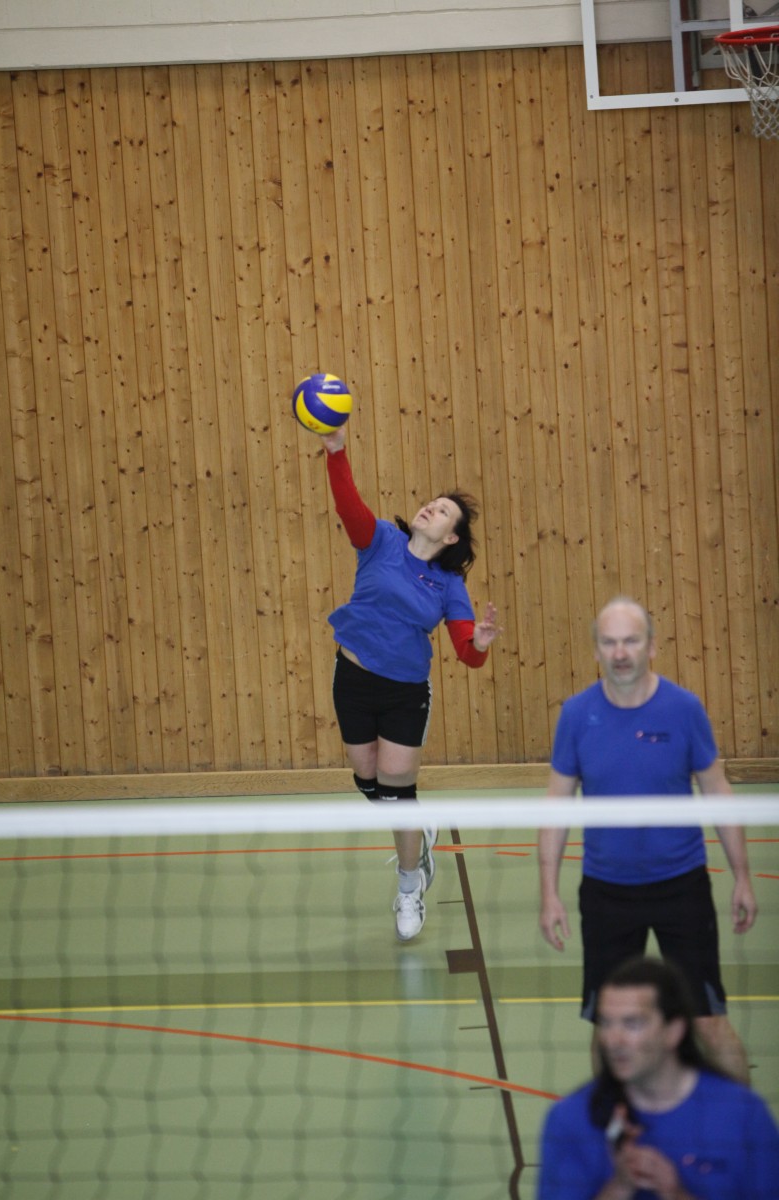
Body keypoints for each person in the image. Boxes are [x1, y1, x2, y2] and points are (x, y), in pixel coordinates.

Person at [538, 597, 758, 1082]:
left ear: (652, 646)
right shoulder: (576, 715)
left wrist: (742, 877)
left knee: (707, 1022)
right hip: (607, 893)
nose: (620, 652)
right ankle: (615, 1125)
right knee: (608, 1028)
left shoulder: (684, 709)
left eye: (631, 641)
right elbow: (556, 807)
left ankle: (743, 1122)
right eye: (609, 642)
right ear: (596, 651)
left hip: (681, 887)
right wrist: (548, 893)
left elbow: (717, 791)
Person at [320, 423, 499, 941]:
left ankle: (408, 885)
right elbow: (348, 504)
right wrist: (336, 452)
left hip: (404, 693)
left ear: (451, 537)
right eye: (431, 503)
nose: (430, 508)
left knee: (396, 790)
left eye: (442, 511)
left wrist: (479, 642)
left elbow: (466, 653)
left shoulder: (449, 585)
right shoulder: (380, 540)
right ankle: (418, 825)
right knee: (367, 780)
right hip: (352, 678)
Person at [537, 956, 779, 1199]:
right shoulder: (571, 1118)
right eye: (606, 1023)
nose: (614, 1040)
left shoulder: (743, 1115)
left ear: (674, 1031)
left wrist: (676, 1194)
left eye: (632, 1023)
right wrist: (619, 1187)